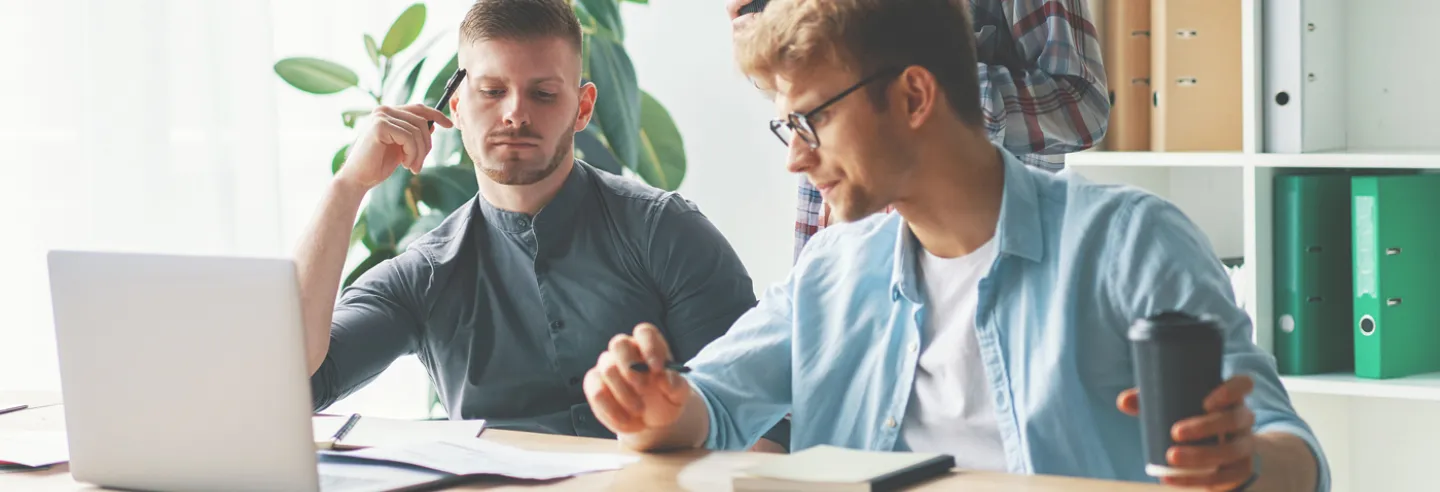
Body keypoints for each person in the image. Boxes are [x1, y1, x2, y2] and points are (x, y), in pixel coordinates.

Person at [583, 0, 1329, 489]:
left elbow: (1293, 453)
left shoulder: (1131, 243)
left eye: (811, 122)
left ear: (914, 96)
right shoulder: (833, 274)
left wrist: (1244, 462)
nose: (795, 158)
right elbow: (707, 404)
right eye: (788, 127)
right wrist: (650, 407)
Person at [294, 0, 789, 451]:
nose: (515, 113)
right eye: (491, 91)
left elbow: (766, 423)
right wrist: (347, 187)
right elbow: (295, 385)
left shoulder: (667, 232)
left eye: (544, 93)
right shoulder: (421, 273)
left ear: (584, 107)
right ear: (457, 108)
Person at [723, 0, 1110, 260]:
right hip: (845, 247)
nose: (794, 160)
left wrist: (929, 82)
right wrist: (773, 43)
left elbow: (1083, 108)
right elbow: (816, 98)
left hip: (992, 254)